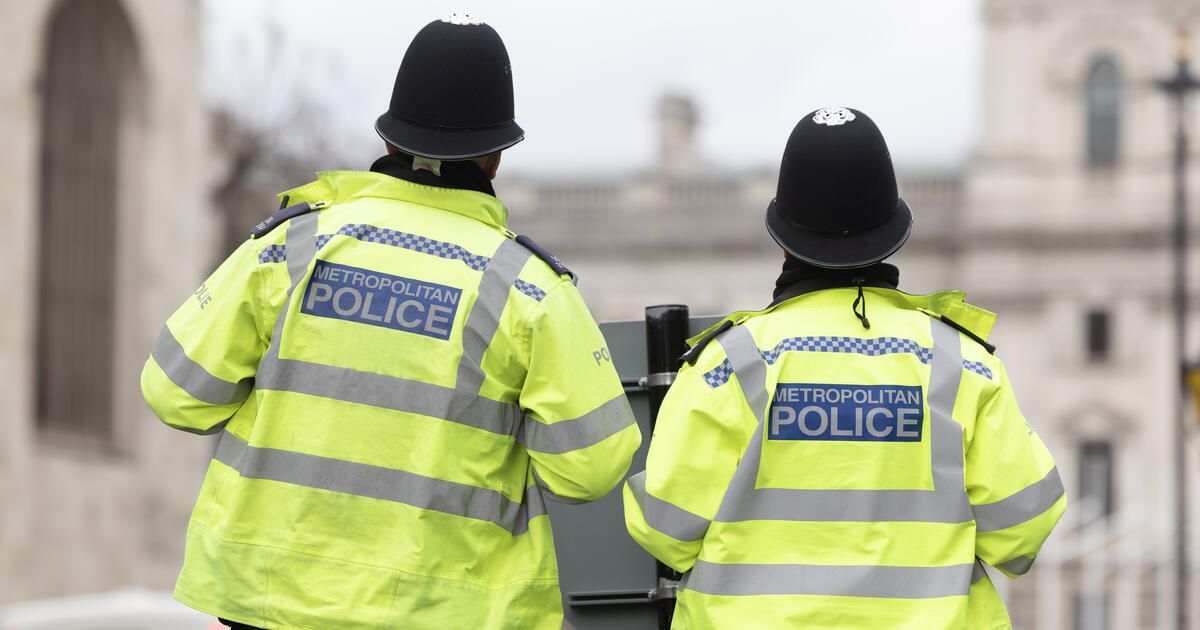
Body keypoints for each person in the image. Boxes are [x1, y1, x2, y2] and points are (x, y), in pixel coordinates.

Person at [141, 13, 640, 630]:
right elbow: (590, 468)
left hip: (270, 600)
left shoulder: (291, 248)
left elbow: (175, 392)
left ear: (389, 142)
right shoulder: (528, 289)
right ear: (493, 158)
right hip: (448, 614)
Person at [623, 107, 1065, 629]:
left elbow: (665, 528)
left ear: (783, 239)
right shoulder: (962, 362)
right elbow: (1022, 531)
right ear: (894, 231)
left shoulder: (729, 363)